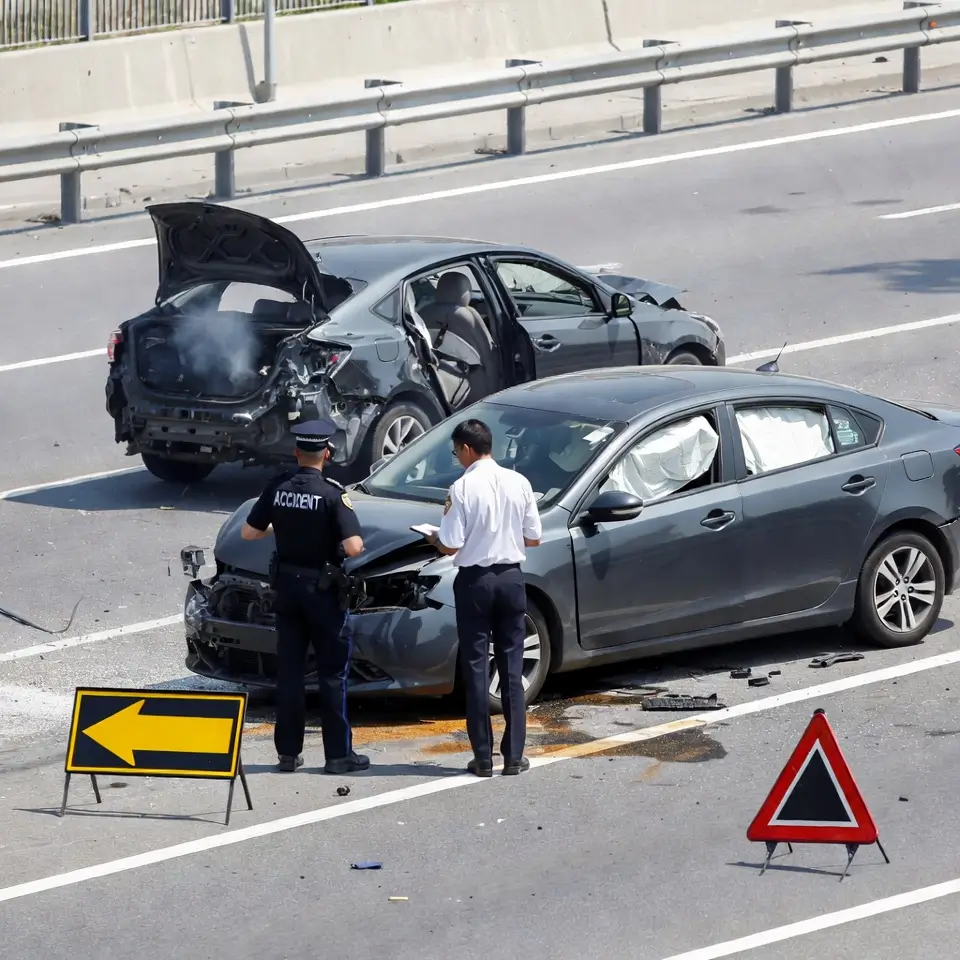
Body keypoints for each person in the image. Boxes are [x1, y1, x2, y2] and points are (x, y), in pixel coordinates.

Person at [241, 419, 370, 776]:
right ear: (326, 454)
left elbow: (249, 532)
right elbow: (354, 546)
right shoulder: (331, 493)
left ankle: (287, 754)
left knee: (290, 674)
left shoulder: (278, 487)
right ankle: (338, 756)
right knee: (332, 674)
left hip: (287, 590)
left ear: (297, 452)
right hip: (323, 594)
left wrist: (281, 526)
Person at [427, 418, 542, 777]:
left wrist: (432, 537)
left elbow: (450, 544)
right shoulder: (519, 482)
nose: (456, 458)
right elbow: (534, 537)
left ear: (466, 448)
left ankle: (482, 756)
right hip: (511, 578)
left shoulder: (461, 488)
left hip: (475, 581)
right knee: (511, 666)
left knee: (477, 667)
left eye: (456, 451)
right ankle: (514, 755)